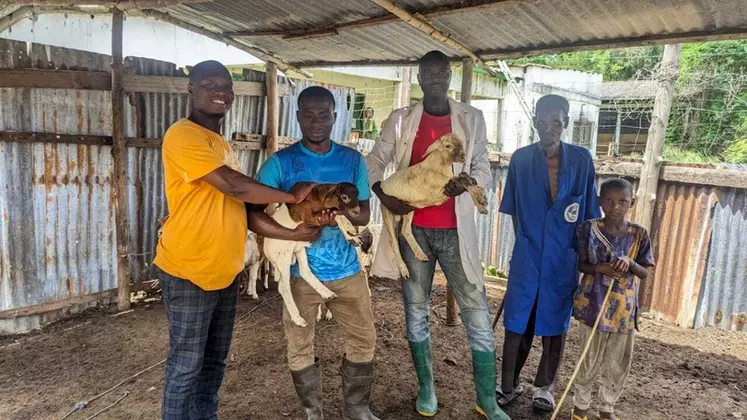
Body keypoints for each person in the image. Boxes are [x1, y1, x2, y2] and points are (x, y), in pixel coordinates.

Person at [153, 60, 318, 420]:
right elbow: (232, 185)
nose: (220, 92)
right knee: (186, 366)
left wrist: (292, 234)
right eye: (209, 84)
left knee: (213, 364)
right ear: (190, 90)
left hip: (224, 272)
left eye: (226, 86)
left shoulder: (220, 144)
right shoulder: (183, 135)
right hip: (189, 269)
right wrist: (292, 196)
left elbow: (243, 211)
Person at [367, 50, 510, 420]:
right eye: (427, 72)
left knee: (476, 311)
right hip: (414, 231)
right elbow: (374, 162)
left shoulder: (472, 119)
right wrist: (384, 194)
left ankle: (486, 399)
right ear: (418, 76)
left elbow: (481, 166)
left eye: (441, 71)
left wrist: (466, 184)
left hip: (455, 231)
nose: (434, 77)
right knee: (416, 311)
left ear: (448, 75)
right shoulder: (401, 120)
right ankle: (426, 388)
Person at [251, 86, 380, 420]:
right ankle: (313, 413)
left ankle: (358, 409)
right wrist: (291, 232)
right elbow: (252, 213)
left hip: (347, 270)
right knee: (299, 344)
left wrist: (337, 215)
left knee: (364, 338)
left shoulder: (352, 160)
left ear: (335, 117)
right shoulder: (280, 163)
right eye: (308, 114)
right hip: (299, 274)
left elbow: (364, 214)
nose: (316, 121)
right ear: (297, 117)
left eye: (324, 114)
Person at [497, 94, 601, 412]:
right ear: (535, 122)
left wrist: (581, 259)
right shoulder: (520, 159)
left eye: (555, 122)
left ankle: (545, 387)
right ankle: (508, 385)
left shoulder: (582, 161)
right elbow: (514, 211)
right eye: (542, 121)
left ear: (565, 123)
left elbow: (586, 217)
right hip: (528, 254)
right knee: (518, 321)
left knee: (555, 324)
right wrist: (526, 245)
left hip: (562, 260)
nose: (548, 128)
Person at [571, 178, 654, 420]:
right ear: (599, 201)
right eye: (608, 200)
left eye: (622, 201)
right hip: (593, 304)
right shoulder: (587, 228)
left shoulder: (639, 234)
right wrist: (601, 268)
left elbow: (645, 271)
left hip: (623, 308)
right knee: (588, 357)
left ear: (632, 202)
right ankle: (580, 406)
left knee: (618, 361)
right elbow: (581, 264)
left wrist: (629, 262)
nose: (615, 206)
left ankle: (607, 407)